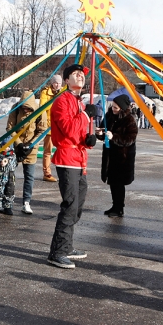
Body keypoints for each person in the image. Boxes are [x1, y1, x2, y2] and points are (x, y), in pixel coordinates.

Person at [47, 64, 97, 269]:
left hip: (79, 158)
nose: (81, 77)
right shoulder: (62, 101)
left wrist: (88, 140)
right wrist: (85, 116)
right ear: (66, 80)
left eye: (83, 75)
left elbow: (77, 133)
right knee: (70, 205)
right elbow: (67, 129)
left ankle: (66, 246)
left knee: (78, 206)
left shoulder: (78, 102)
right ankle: (57, 252)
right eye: (76, 74)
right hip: (67, 158)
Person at [97, 94, 138, 218]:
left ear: (123, 107)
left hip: (122, 158)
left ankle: (119, 207)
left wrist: (113, 137)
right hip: (110, 155)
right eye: (113, 106)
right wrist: (100, 133)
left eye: (116, 107)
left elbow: (130, 139)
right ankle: (115, 206)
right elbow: (104, 131)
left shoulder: (129, 120)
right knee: (112, 182)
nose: (113, 109)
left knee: (119, 183)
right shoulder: (109, 115)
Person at [6, 90, 47, 214]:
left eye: (28, 108)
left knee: (29, 176)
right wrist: (18, 143)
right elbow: (10, 128)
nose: (25, 110)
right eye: (23, 107)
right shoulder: (15, 109)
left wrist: (30, 144)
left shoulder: (40, 110)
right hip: (16, 146)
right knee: (9, 174)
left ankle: (26, 202)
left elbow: (42, 130)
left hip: (31, 148)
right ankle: (7, 202)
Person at [39, 74, 63, 182]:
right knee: (48, 150)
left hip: (60, 126)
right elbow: (43, 106)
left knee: (62, 149)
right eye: (55, 83)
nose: (57, 85)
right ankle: (47, 173)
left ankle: (63, 171)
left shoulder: (63, 92)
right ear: (52, 83)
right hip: (49, 125)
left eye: (59, 83)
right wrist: (55, 101)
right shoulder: (45, 92)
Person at [0, 147, 18, 215]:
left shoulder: (14, 153)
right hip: (0, 175)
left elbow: (19, 159)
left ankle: (7, 207)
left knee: (9, 192)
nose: (6, 148)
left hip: (10, 175)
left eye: (8, 147)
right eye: (5, 146)